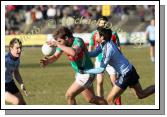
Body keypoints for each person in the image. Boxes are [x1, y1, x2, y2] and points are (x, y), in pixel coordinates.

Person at [80, 27, 155, 105]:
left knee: (110, 99)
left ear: (102, 37)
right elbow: (94, 53)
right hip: (130, 69)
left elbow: (101, 69)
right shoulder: (104, 43)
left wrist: (85, 71)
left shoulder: (108, 49)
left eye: (97, 34)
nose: (95, 35)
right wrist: (84, 51)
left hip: (126, 74)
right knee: (141, 94)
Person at [40, 26, 107, 105]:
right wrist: (48, 61)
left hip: (88, 73)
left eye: (60, 41)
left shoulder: (78, 41)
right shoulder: (63, 44)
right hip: (80, 73)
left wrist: (58, 44)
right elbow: (55, 56)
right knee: (91, 99)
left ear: (67, 38)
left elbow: (73, 52)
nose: (58, 43)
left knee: (69, 95)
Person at [88, 16, 121, 104]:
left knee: (114, 82)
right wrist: (88, 55)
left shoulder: (113, 34)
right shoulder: (94, 34)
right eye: (101, 23)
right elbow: (91, 46)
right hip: (99, 60)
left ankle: (117, 103)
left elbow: (118, 47)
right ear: (98, 24)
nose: (103, 25)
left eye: (105, 23)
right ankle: (101, 103)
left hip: (111, 61)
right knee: (100, 82)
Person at [5, 38, 27, 105]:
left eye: (20, 48)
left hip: (10, 83)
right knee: (16, 101)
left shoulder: (17, 59)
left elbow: (16, 72)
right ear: (11, 48)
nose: (19, 50)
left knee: (22, 104)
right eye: (17, 48)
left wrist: (21, 83)